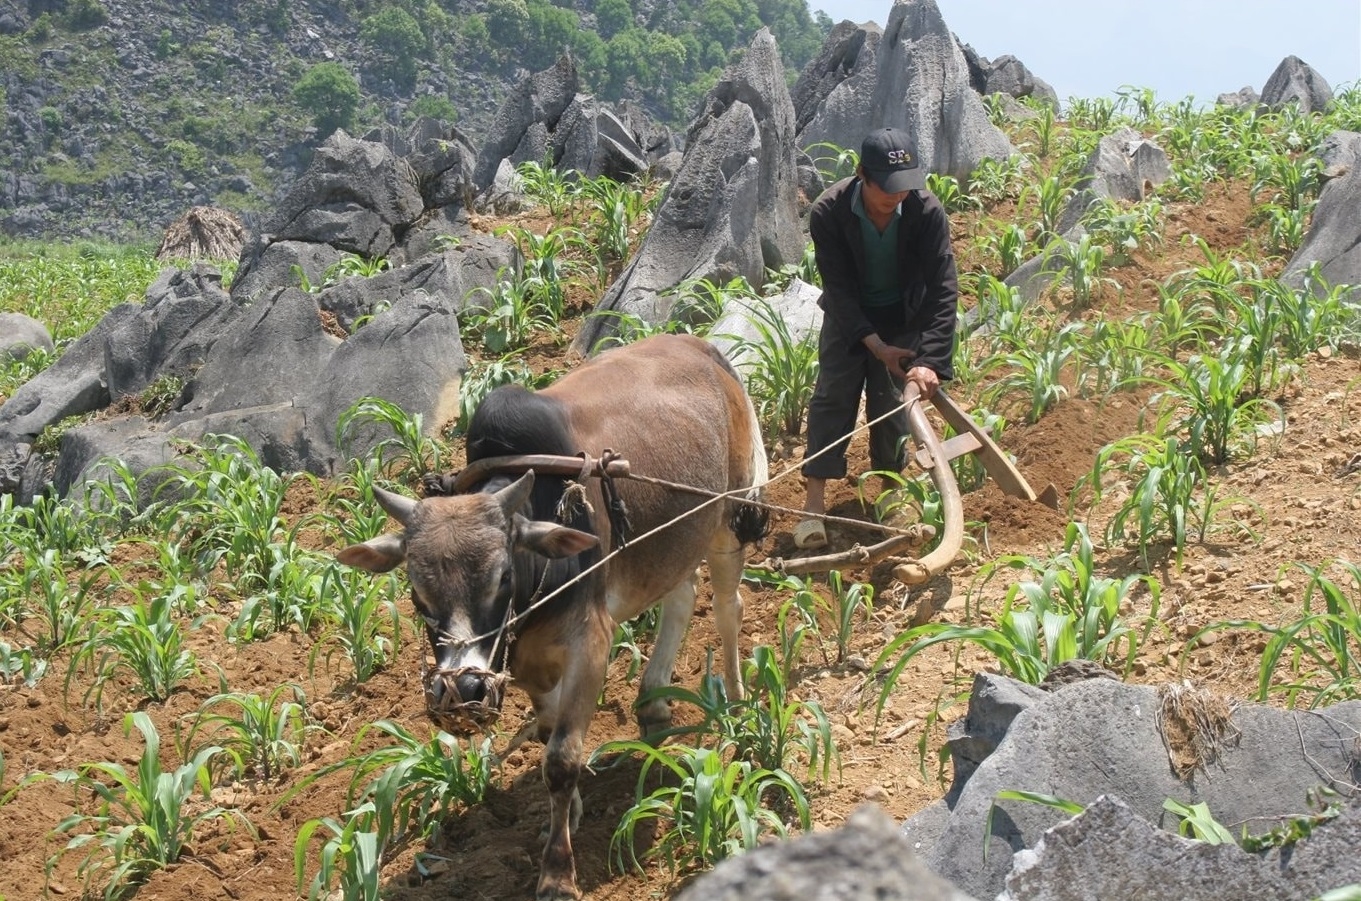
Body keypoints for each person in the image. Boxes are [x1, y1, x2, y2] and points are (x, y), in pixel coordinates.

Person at [795, 126, 960, 549]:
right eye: (887, 188)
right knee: (833, 396)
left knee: (892, 407)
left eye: (904, 188)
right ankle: (813, 506)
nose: (897, 197)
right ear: (861, 175)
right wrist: (876, 346)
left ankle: (890, 494)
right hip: (849, 318)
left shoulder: (925, 212)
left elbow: (943, 287)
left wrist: (930, 359)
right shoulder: (829, 212)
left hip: (903, 314)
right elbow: (840, 291)